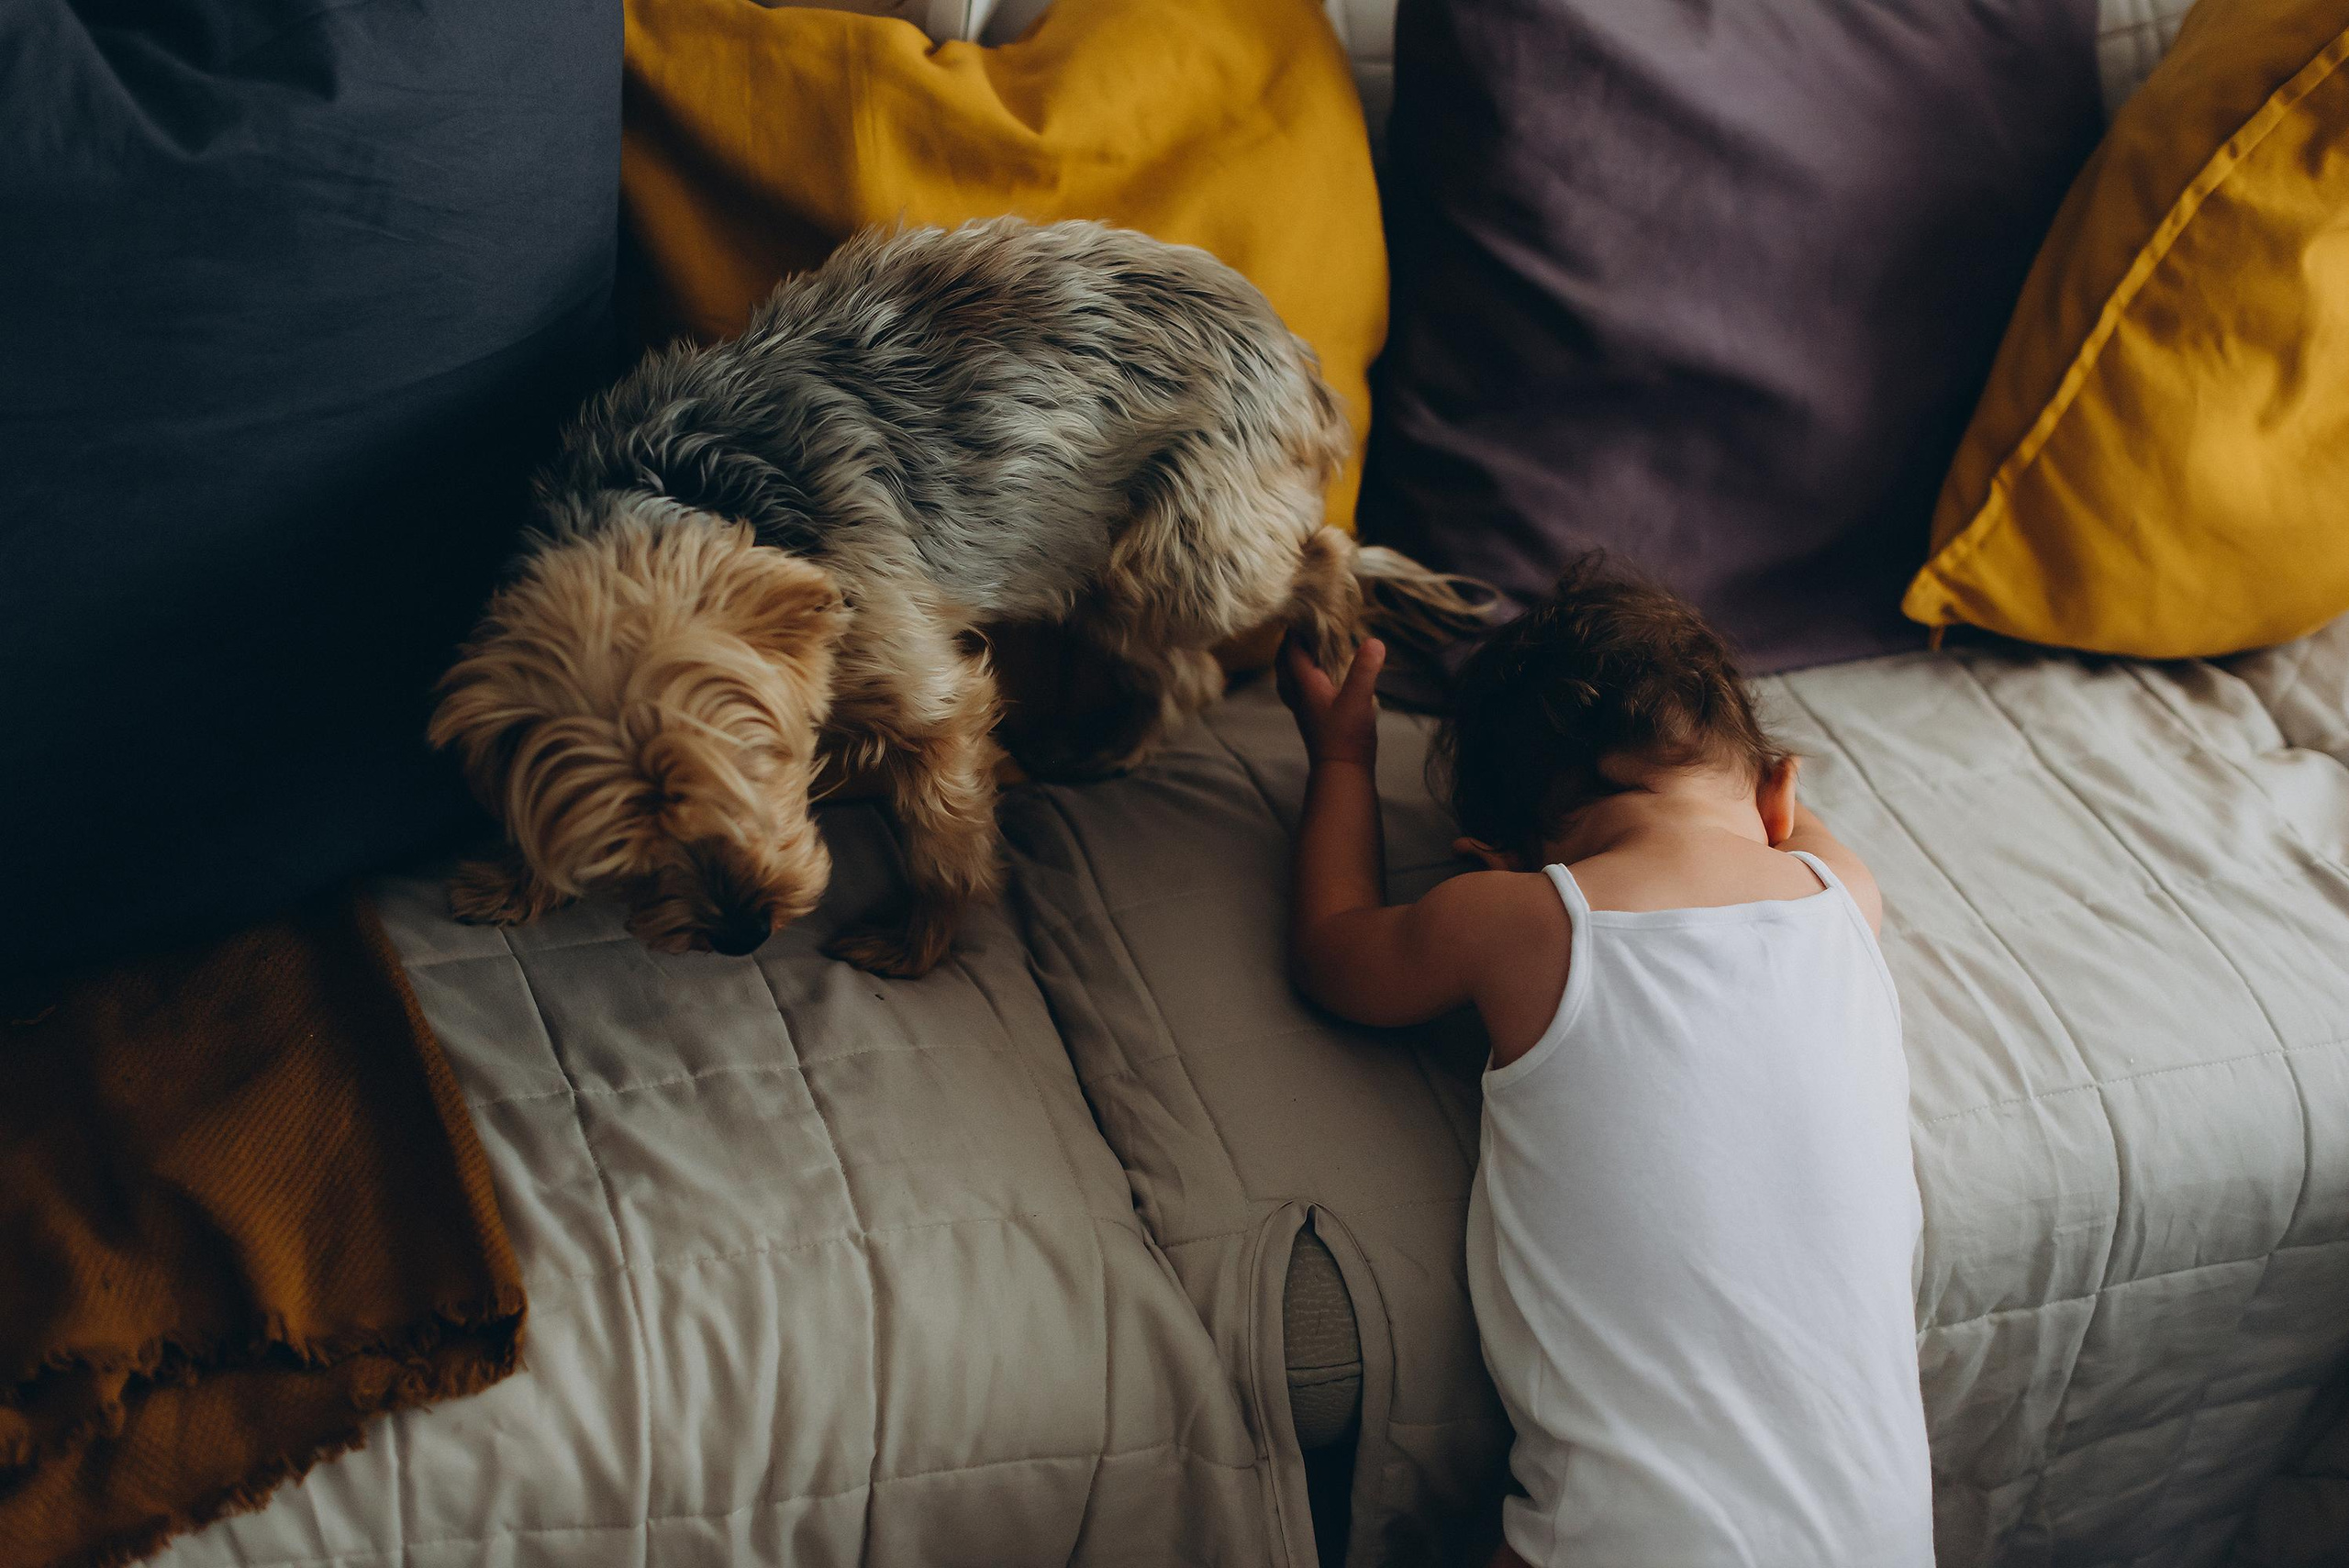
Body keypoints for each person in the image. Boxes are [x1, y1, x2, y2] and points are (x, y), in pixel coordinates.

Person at [1277, 559, 1935, 1567]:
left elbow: (1335, 951)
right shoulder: (1844, 892)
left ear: (1489, 856)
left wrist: (1342, 764)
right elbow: (1785, 826)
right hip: (1879, 1529)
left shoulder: (1517, 916)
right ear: (1777, 794)